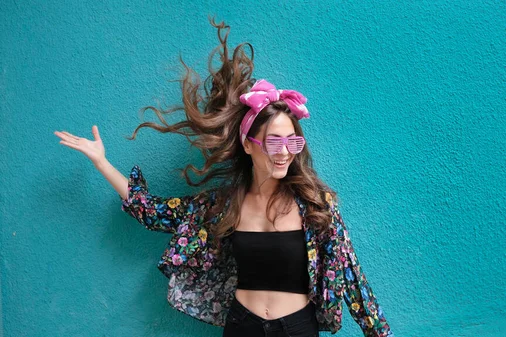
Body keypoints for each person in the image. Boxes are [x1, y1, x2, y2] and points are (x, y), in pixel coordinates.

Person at [54, 17, 393, 337]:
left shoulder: (317, 206)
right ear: (249, 144)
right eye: (274, 141)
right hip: (242, 325)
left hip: (298, 328)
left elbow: (353, 279)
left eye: (293, 141)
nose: (285, 151)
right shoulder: (222, 205)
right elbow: (154, 212)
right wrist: (101, 162)